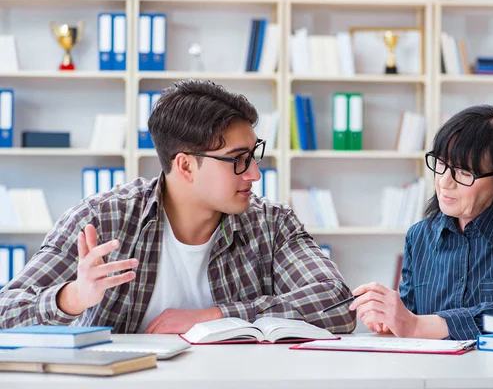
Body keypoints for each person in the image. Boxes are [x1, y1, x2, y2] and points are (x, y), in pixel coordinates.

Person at [0, 80, 356, 334]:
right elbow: (6, 312)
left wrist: (215, 316)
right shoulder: (102, 218)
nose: (255, 175)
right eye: (238, 160)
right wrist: (72, 298)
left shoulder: (271, 223)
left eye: (254, 155)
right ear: (185, 165)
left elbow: (337, 303)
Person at [349, 105, 493, 340]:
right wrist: (388, 320)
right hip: (434, 373)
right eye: (441, 164)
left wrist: (421, 326)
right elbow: (410, 318)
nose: (444, 182)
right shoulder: (419, 236)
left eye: (464, 173)